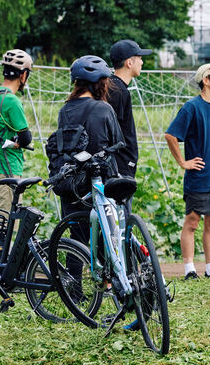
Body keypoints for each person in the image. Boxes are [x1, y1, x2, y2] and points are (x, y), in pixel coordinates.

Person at [165, 63, 210, 280]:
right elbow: (170, 136)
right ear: (206, 80)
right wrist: (183, 163)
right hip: (198, 177)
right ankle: (189, 269)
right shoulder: (191, 107)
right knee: (192, 222)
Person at [56, 56, 124, 243]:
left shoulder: (65, 110)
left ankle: (73, 273)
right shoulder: (104, 108)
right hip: (99, 182)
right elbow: (117, 142)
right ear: (98, 83)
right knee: (108, 236)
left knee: (76, 239)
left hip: (72, 182)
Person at [0, 49, 34, 217]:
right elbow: (26, 138)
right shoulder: (11, 101)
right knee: (3, 230)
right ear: (23, 75)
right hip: (5, 170)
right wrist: (19, 140)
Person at [107, 39, 154, 179]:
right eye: (139, 58)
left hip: (118, 166)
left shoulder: (113, 87)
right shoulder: (118, 91)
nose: (142, 62)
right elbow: (111, 132)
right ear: (129, 63)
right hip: (118, 169)